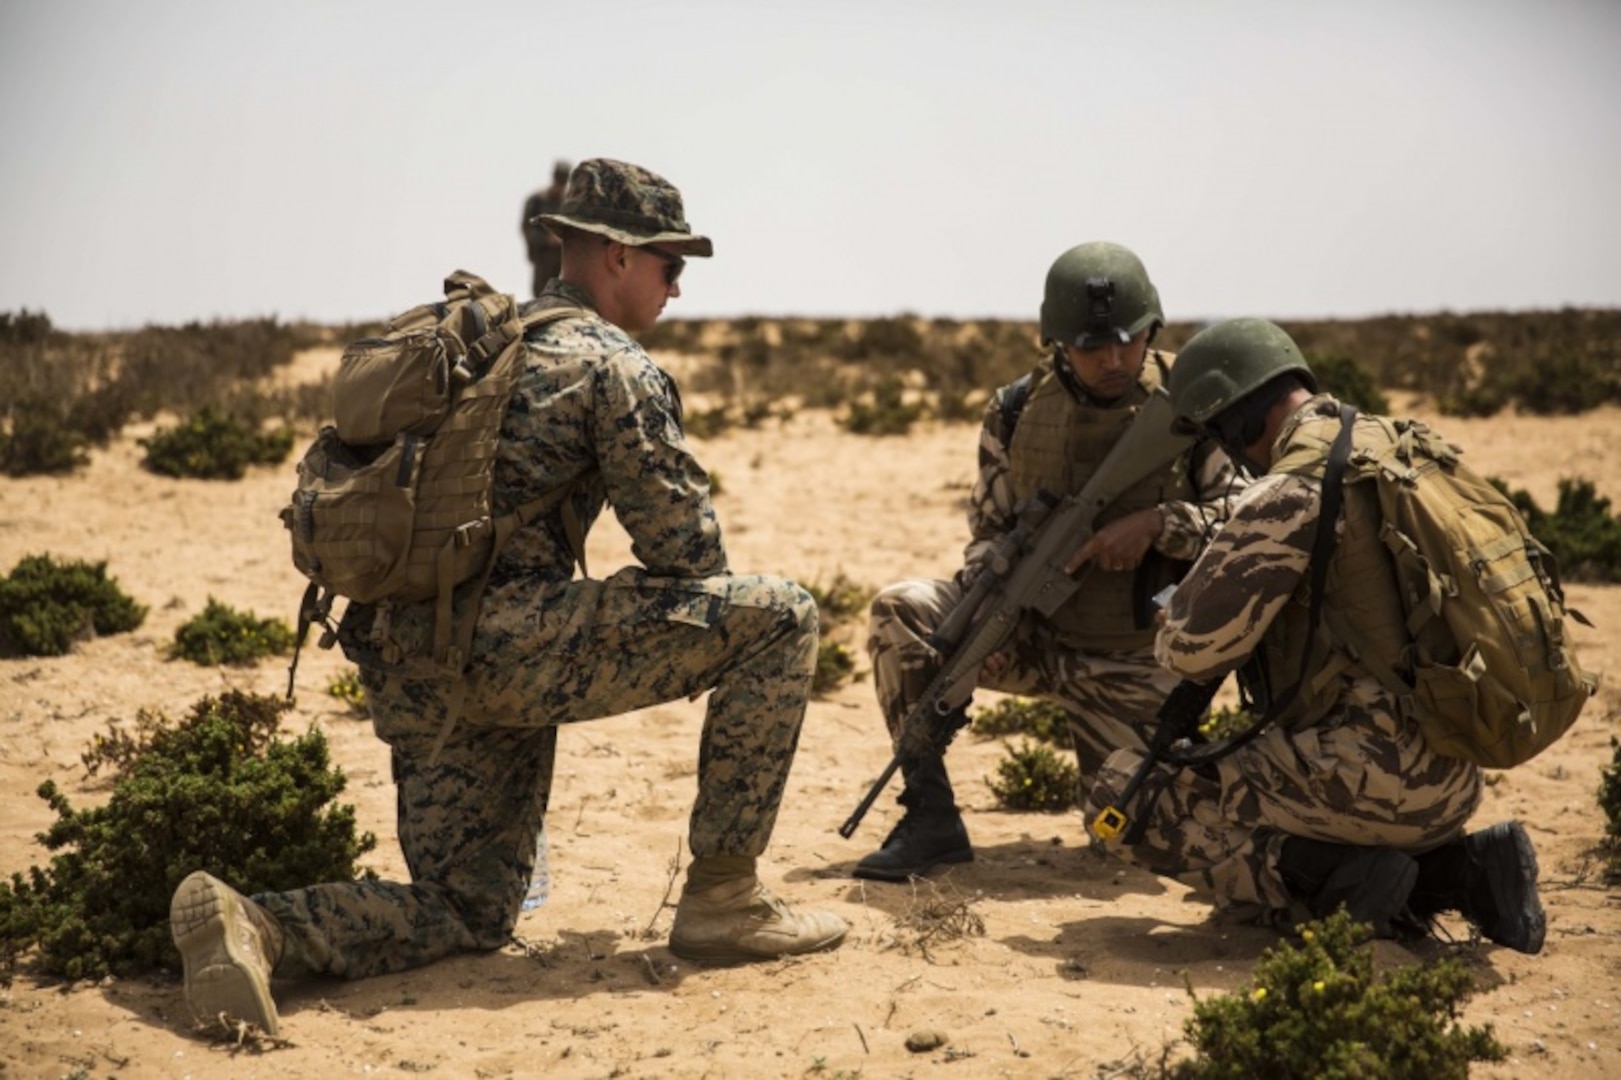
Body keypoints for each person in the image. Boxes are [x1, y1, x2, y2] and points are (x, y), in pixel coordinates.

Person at [171, 157, 847, 1037]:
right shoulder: (614, 365)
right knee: (781, 617)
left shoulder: (482, 344)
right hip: (509, 653)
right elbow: (686, 552)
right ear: (612, 257)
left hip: (405, 654)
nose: (678, 285)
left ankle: (257, 924)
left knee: (469, 909)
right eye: (668, 262)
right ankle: (724, 898)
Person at [1081, 316, 1546, 950]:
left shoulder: (1288, 490)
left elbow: (1189, 650)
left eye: (1219, 432)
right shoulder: (1394, 445)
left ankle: (1346, 879)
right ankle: (1460, 872)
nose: (1228, 451)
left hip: (1372, 779)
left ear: (1238, 417)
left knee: (1126, 792)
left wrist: (1180, 611)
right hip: (1457, 763)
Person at [854, 242, 1248, 881]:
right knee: (900, 610)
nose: (1115, 360)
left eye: (1129, 342)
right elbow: (989, 531)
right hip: (1038, 640)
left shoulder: (1194, 404)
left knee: (1128, 840)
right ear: (1058, 343)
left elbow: (1249, 521)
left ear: (1153, 329)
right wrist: (995, 623)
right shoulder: (1014, 410)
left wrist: (1159, 526)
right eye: (1093, 348)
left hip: (1138, 663)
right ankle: (929, 818)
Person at [521, 160, 572, 298]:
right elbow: (527, 228)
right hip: (543, 258)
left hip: (564, 261)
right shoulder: (537, 200)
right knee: (540, 296)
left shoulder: (570, 202)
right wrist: (546, 240)